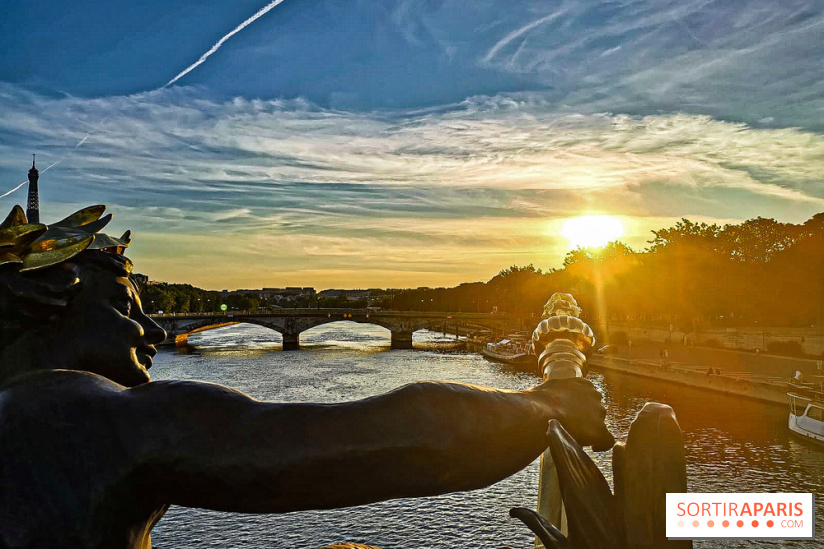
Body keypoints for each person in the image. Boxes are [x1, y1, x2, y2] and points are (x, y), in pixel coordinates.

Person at [0, 206, 614, 549]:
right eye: (126, 307)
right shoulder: (89, 417)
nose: (152, 331)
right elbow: (401, 440)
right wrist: (546, 402)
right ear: (49, 305)